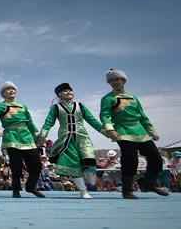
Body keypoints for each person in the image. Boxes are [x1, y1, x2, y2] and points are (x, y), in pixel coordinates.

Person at [99, 69, 169, 199]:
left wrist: (152, 131)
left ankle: (149, 185)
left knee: (156, 159)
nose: (115, 82)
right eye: (112, 80)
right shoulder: (108, 98)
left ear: (123, 80)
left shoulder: (133, 97)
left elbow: (142, 116)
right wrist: (110, 129)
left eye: (117, 79)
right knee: (130, 160)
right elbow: (104, 115)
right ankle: (127, 190)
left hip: (140, 131)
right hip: (122, 131)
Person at [37, 83, 113, 199]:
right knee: (74, 165)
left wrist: (107, 132)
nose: (69, 92)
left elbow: (92, 120)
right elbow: (48, 123)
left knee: (89, 157)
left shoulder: (80, 106)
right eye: (65, 91)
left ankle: (90, 175)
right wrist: (42, 136)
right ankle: (83, 191)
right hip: (66, 139)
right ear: (59, 95)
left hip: (82, 137)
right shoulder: (56, 108)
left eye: (70, 90)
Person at [0, 81, 44, 198]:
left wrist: (37, 135)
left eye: (13, 89)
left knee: (37, 164)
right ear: (3, 93)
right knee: (16, 165)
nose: (11, 90)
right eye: (7, 89)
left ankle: (30, 186)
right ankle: (16, 189)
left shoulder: (23, 106)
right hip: (11, 135)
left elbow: (30, 122)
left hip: (27, 136)